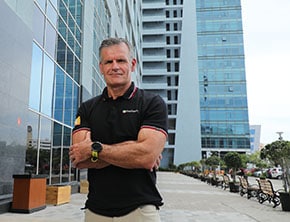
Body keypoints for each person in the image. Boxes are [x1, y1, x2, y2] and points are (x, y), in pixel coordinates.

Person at [69, 37, 168, 222]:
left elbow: (146, 157)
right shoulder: (87, 108)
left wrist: (94, 149)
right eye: (109, 62)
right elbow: (79, 160)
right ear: (101, 67)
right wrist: (133, 149)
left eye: (120, 60)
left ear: (132, 64)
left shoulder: (152, 103)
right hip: (95, 212)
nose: (115, 66)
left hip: (140, 211)